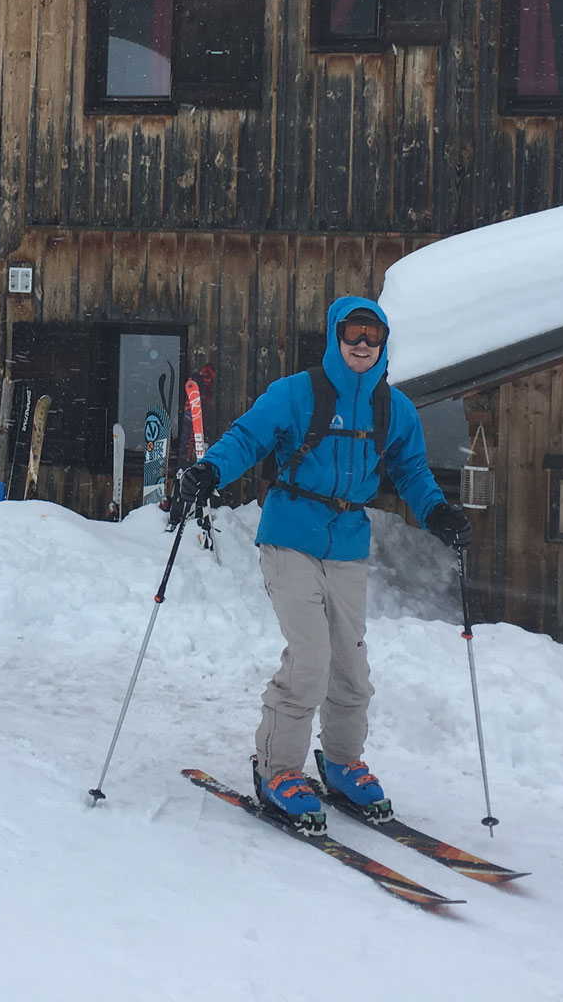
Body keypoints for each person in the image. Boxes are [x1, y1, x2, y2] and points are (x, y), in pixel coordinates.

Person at [175, 295, 474, 834]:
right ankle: (278, 769)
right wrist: (209, 471)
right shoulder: (297, 393)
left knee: (351, 665)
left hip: (348, 545)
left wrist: (438, 512)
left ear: (384, 344)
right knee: (310, 658)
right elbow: (247, 436)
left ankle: (340, 762)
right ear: (336, 337)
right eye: (353, 333)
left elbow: (411, 472)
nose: (362, 344)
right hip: (289, 535)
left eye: (373, 336)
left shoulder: (394, 409)